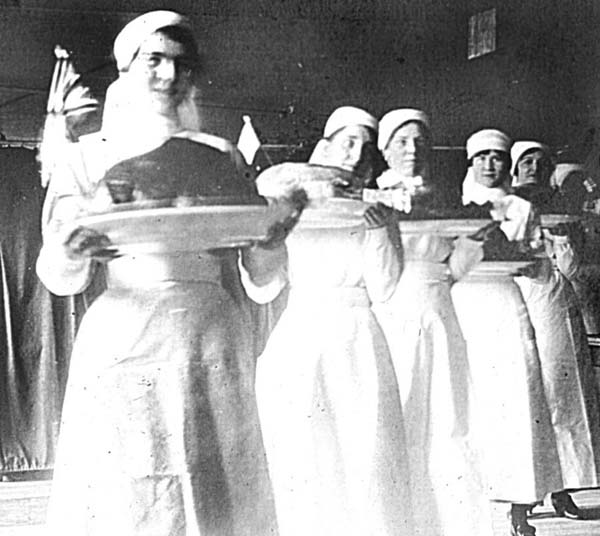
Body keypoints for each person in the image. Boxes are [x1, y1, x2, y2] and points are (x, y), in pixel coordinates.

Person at [36, 10, 296, 535]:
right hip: (125, 333)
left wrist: (269, 239)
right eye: (154, 60)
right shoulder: (87, 158)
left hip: (210, 333)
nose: (169, 76)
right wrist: (71, 246)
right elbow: (59, 276)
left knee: (217, 484)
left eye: (180, 64)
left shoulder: (220, 154)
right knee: (130, 489)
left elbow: (261, 278)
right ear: (126, 69)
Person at [255, 106, 414, 536]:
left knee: (365, 458)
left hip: (359, 337)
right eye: (347, 142)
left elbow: (384, 288)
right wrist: (270, 231)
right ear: (322, 147)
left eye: (364, 149)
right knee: (304, 455)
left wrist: (381, 231)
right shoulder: (285, 197)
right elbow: (262, 284)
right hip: (301, 332)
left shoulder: (376, 207)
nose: (355, 155)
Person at [372, 108, 494, 536]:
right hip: (394, 310)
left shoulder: (444, 199)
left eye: (420, 141)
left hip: (442, 311)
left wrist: (472, 242)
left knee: (450, 417)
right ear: (385, 150)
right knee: (402, 413)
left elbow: (453, 267)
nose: (413, 149)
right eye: (402, 141)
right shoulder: (374, 199)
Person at [452, 129, 563, 536]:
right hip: (464, 304)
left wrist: (514, 255)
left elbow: (536, 263)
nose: (489, 165)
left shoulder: (521, 208)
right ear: (470, 162)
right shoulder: (457, 204)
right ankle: (471, 498)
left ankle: (520, 504)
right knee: (471, 401)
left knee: (516, 400)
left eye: (497, 157)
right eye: (481, 157)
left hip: (504, 301)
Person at [511, 141, 600, 519]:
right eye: (526, 162)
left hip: (559, 308)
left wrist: (565, 241)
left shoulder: (564, 211)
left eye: (540, 163)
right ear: (514, 170)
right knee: (528, 402)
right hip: (519, 306)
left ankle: (563, 491)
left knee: (567, 400)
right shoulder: (501, 206)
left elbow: (577, 270)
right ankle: (520, 501)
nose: (533, 167)